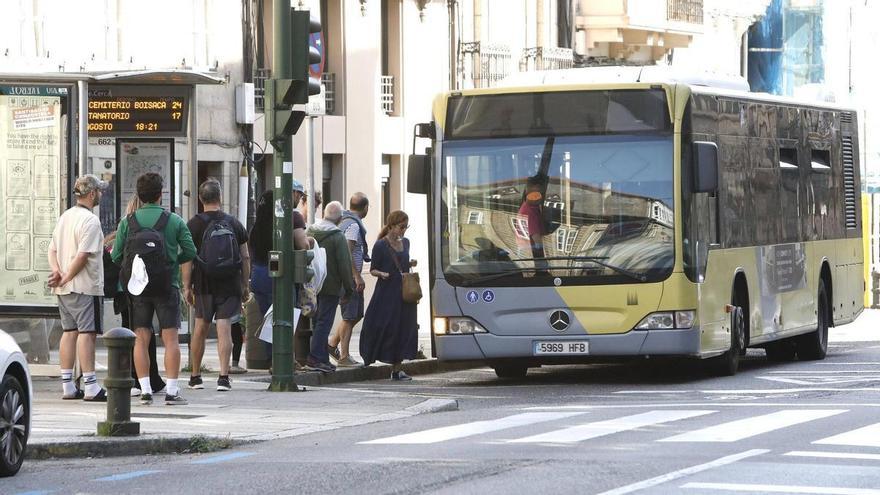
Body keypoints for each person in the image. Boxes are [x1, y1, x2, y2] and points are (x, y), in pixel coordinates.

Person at [112, 172, 196, 406]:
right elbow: (190, 251)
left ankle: (145, 390)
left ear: (139, 195)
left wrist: (137, 269)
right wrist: (170, 264)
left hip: (138, 289)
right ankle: (171, 391)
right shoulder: (175, 221)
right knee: (170, 339)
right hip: (167, 285)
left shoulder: (127, 222)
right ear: (161, 195)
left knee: (140, 337)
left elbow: (117, 255)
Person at [183, 179, 250, 392]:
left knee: (200, 327)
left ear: (201, 199)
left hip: (203, 283)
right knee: (224, 327)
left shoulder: (193, 224)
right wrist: (244, 284)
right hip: (229, 282)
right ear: (220, 198)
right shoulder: (233, 223)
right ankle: (223, 376)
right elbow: (245, 256)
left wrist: (187, 286)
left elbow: (187, 258)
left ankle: (195, 376)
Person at [47, 174, 109, 401]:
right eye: (99, 191)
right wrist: (66, 277)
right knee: (87, 333)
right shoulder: (90, 221)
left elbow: (52, 249)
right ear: (91, 194)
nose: (101, 194)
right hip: (84, 286)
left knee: (69, 332)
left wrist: (58, 273)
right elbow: (83, 255)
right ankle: (91, 385)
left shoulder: (66, 216)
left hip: (64, 289)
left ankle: (67, 385)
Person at [106, 195, 166, 397]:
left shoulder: (121, 232)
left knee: (132, 334)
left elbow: (115, 257)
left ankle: (135, 377)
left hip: (126, 290)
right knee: (144, 335)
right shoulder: (153, 229)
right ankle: (148, 378)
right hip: (148, 287)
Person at [359, 210, 419, 381]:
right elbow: (372, 269)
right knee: (385, 327)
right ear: (392, 226)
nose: (404, 231)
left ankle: (397, 368)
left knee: (403, 328)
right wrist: (382, 274)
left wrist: (410, 262)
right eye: (401, 227)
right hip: (387, 293)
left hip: (404, 293)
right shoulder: (380, 245)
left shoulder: (406, 243)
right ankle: (370, 355)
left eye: (406, 227)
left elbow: (403, 264)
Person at [305, 201, 354, 373]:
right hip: (330, 286)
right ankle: (316, 357)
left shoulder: (310, 230)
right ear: (340, 219)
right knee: (324, 323)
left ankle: (322, 357)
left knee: (316, 321)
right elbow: (344, 265)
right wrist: (349, 288)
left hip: (312, 284)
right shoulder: (337, 236)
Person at [329, 192, 370, 367]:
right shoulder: (353, 226)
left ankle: (331, 344)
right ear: (366, 207)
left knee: (355, 314)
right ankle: (344, 356)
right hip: (350, 278)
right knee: (350, 315)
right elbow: (348, 251)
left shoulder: (343, 221)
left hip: (343, 276)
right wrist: (356, 275)